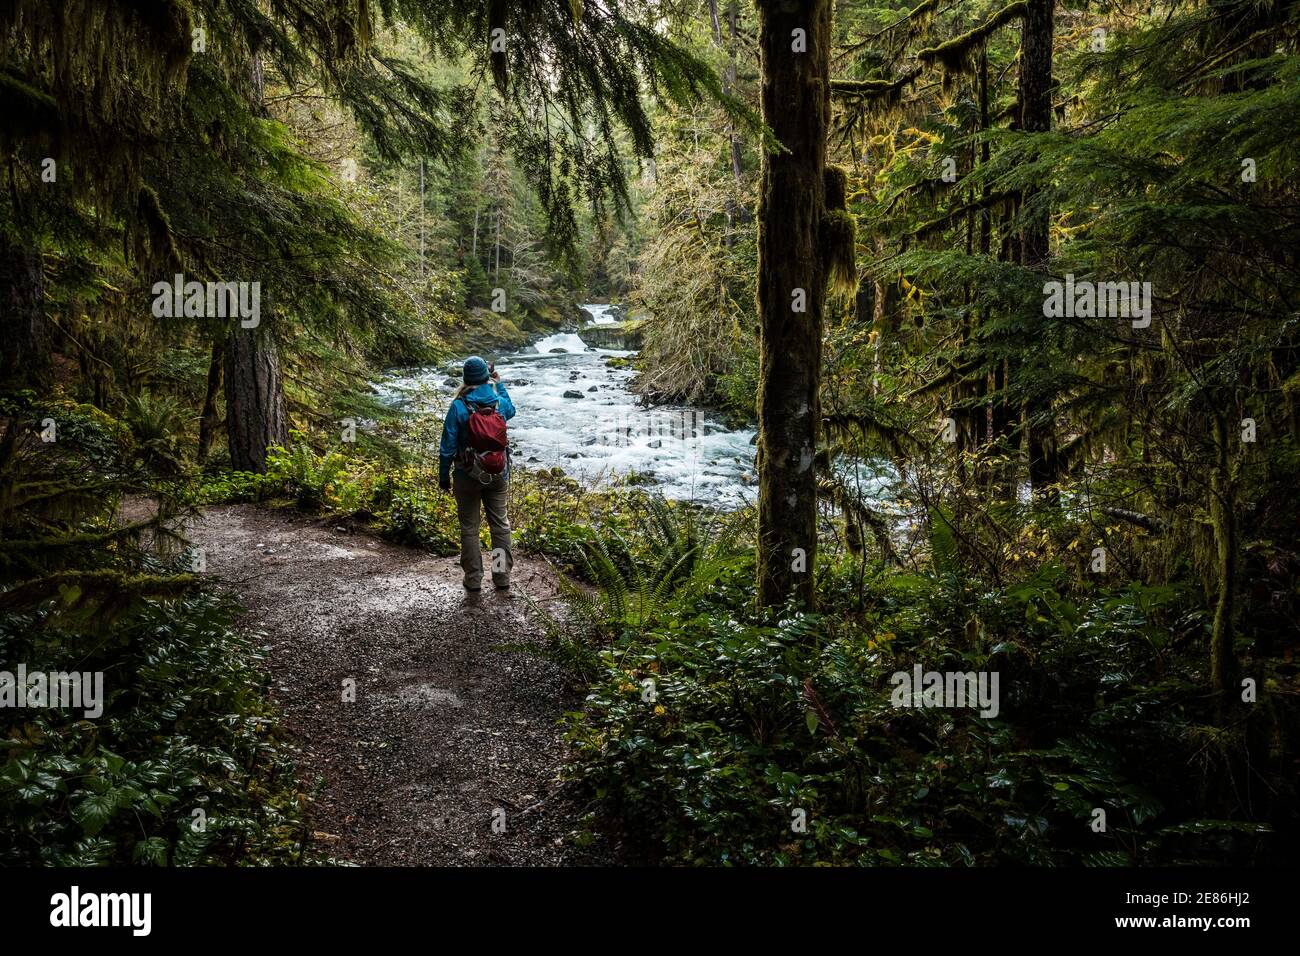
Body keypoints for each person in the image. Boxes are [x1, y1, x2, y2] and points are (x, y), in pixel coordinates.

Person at [438, 356, 516, 591]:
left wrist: (443, 477)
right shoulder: (498, 403)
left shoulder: (459, 406)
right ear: (486, 376)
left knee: (470, 528)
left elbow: (447, 448)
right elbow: (512, 410)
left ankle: (473, 578)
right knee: (500, 526)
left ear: (465, 378)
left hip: (467, 474)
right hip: (497, 473)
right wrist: (499, 383)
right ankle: (501, 576)